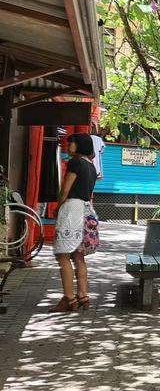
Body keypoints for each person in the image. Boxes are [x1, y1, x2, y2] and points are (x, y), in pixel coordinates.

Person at [52, 133, 98, 312]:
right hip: (86, 210)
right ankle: (83, 296)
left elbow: (65, 190)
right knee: (79, 256)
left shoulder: (75, 163)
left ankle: (69, 298)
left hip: (72, 209)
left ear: (79, 145)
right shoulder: (91, 166)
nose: (68, 145)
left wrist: (58, 207)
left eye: (71, 142)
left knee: (62, 255)